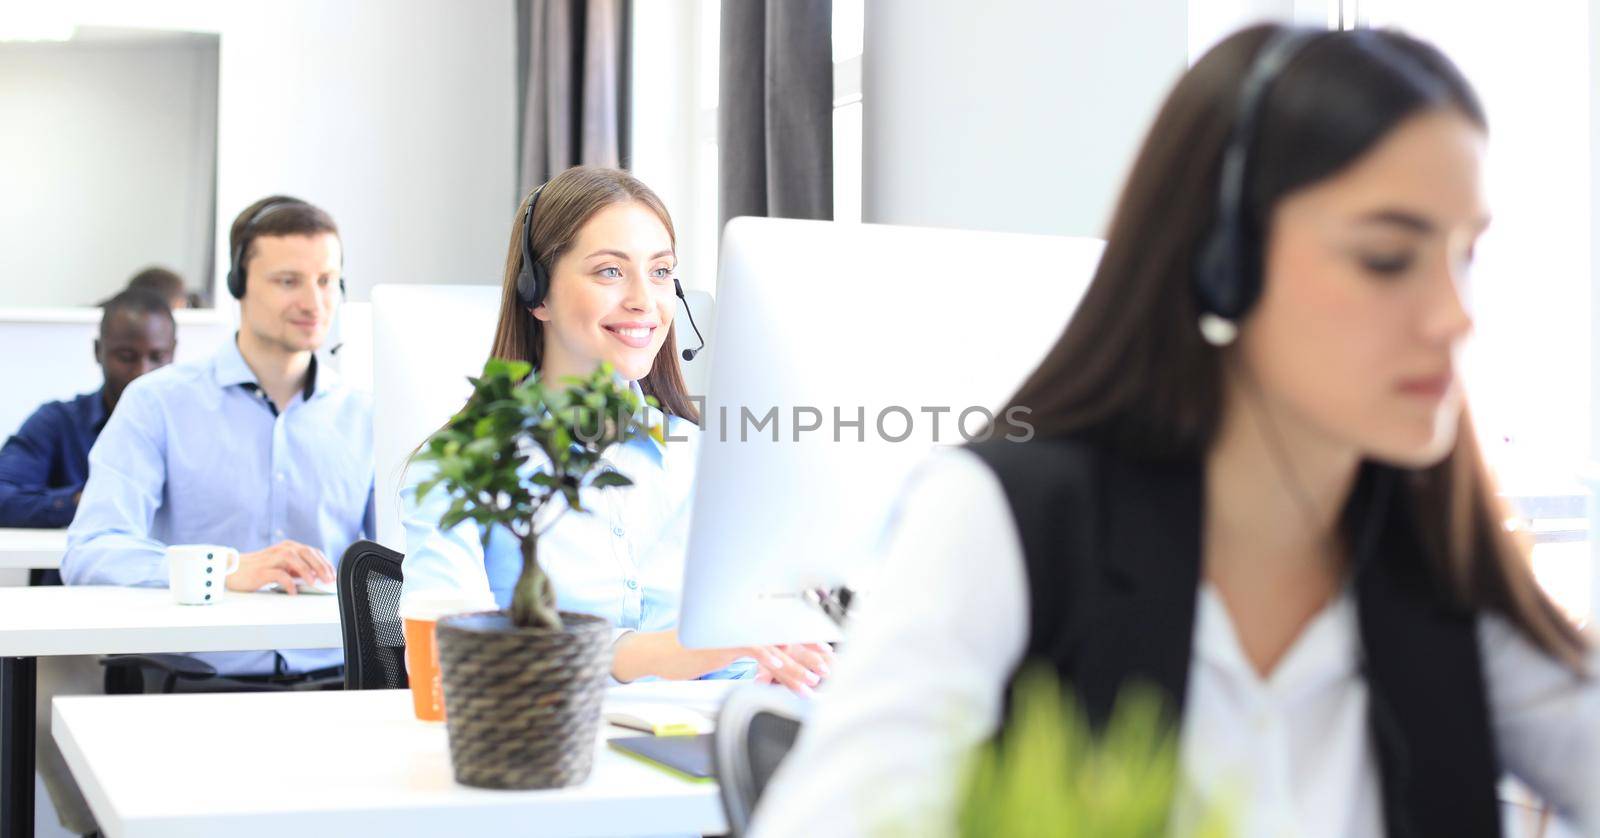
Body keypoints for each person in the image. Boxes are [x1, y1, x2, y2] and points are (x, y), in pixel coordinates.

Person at [752, 25, 1598, 837]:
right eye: (1387, 258)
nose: (1455, 316)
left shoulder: (1430, 551)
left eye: (1466, 256)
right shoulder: (1008, 524)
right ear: (1221, 262)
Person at [401, 166, 830, 693]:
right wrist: (659, 652)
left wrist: (770, 667)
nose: (644, 301)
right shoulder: (461, 464)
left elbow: (735, 653)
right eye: (609, 271)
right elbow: (451, 666)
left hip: (702, 750)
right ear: (537, 294)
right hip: (545, 751)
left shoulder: (708, 460)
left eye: (661, 271)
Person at [63, 195, 374, 677]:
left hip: (340, 680)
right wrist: (225, 570)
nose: (314, 303)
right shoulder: (157, 403)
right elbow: (93, 551)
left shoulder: (367, 416)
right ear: (239, 285)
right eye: (288, 281)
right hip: (198, 680)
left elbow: (404, 564)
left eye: (327, 281)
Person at [0, 288, 175, 534]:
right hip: (74, 573)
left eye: (157, 357)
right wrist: (88, 500)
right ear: (98, 351)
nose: (142, 372)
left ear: (173, 352)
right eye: (126, 357)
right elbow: (3, 497)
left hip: (163, 572)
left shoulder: (194, 428)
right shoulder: (57, 422)